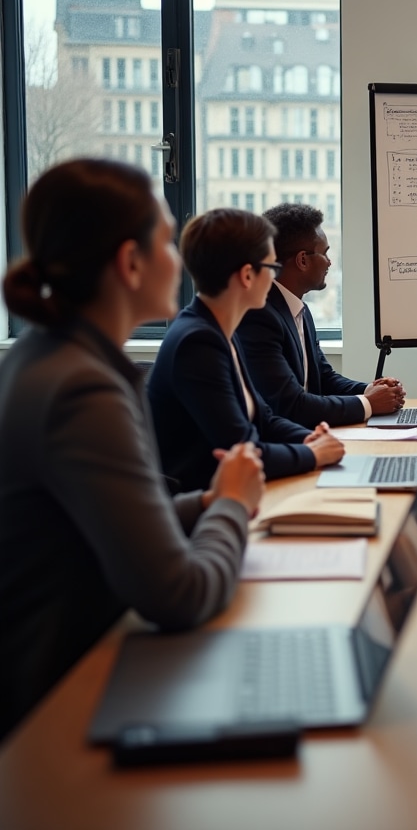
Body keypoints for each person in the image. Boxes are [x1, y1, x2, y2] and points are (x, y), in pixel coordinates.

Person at [0, 160, 265, 740]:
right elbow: (180, 594)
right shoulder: (82, 389)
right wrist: (232, 505)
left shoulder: (45, 356)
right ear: (131, 262)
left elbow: (113, 525)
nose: (179, 260)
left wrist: (208, 501)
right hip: (58, 710)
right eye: (167, 241)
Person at [147, 208, 345, 493]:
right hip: (205, 502)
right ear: (247, 275)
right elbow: (242, 450)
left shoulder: (219, 329)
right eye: (272, 267)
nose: (276, 277)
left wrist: (308, 438)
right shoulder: (198, 342)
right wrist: (313, 453)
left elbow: (263, 418)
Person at [236, 202, 405, 426]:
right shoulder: (259, 316)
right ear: (302, 260)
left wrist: (371, 390)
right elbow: (290, 405)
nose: (330, 262)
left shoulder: (299, 310)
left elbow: (324, 378)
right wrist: (368, 403)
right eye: (325, 253)